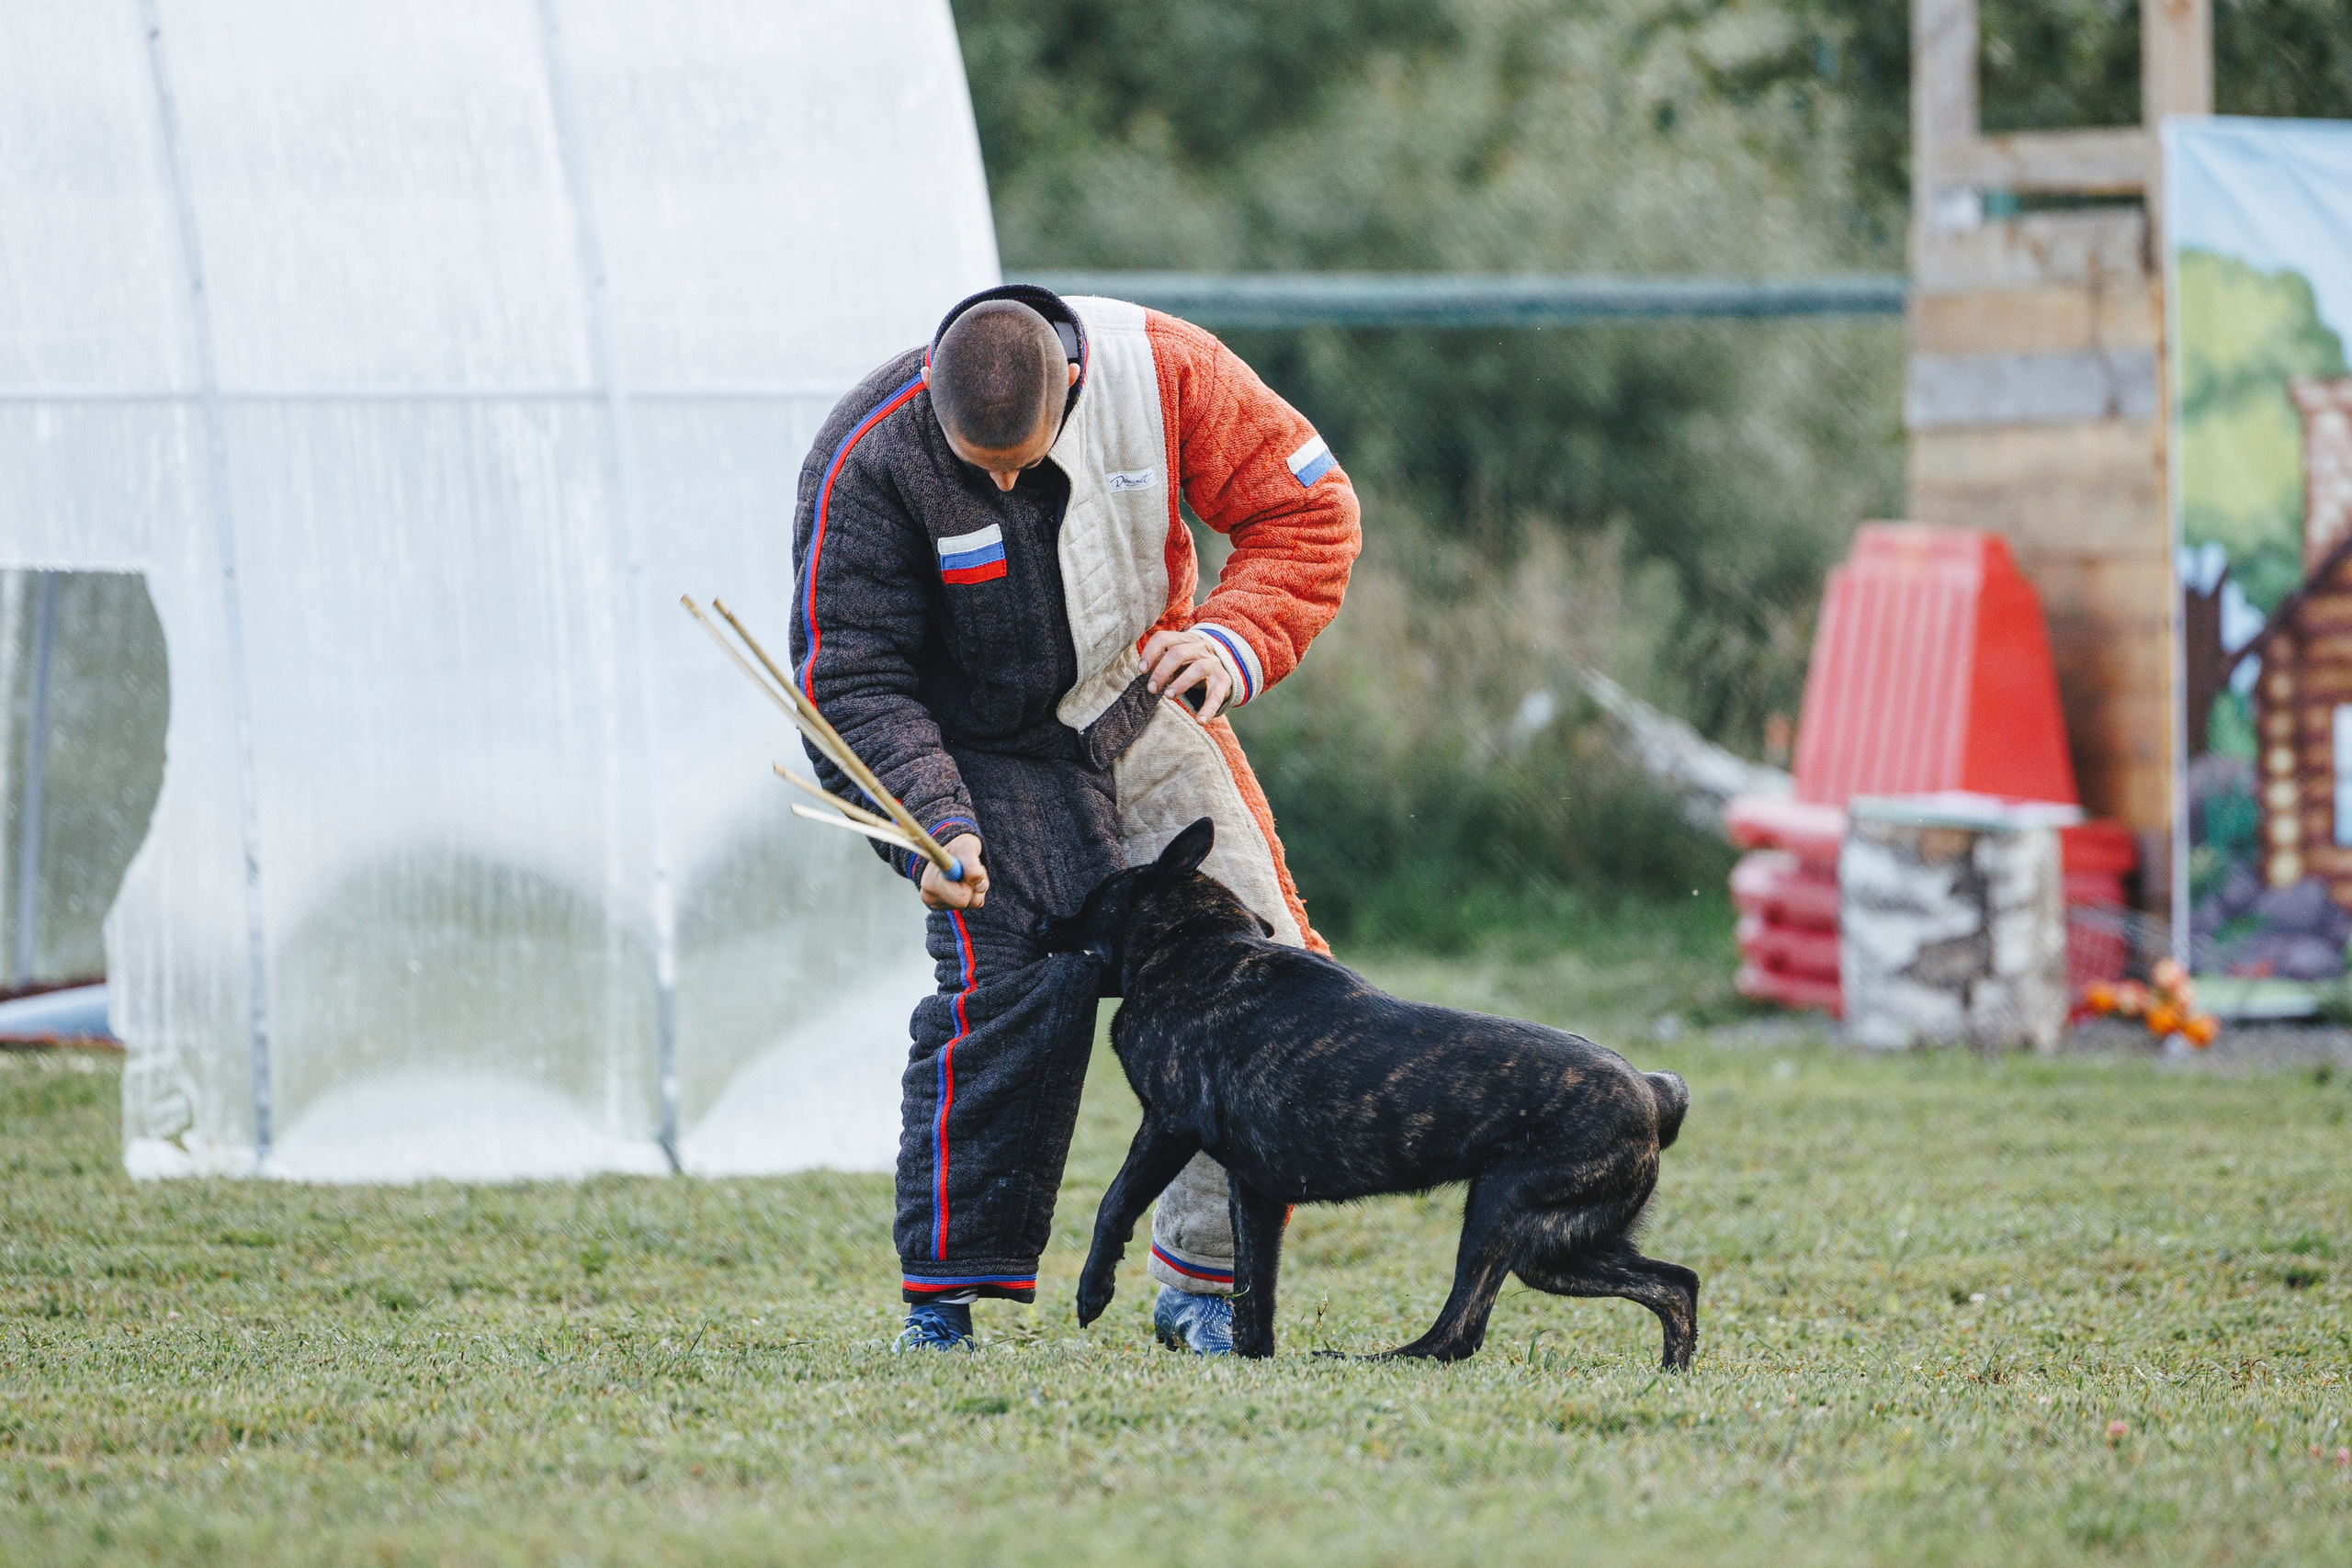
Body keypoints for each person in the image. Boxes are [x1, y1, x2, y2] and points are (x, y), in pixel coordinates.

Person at [788, 285, 1359, 1353]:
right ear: (929, 394)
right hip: (972, 760)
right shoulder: (865, 455)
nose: (1002, 483)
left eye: (1021, 460)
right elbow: (850, 674)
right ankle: (943, 1303)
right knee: (1010, 990)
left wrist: (1236, 637)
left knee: (1259, 971)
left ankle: (1205, 1284)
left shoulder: (1168, 371)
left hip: (1136, 701)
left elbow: (1310, 514)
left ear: (1075, 387)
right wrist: (930, 821)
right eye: (978, 467)